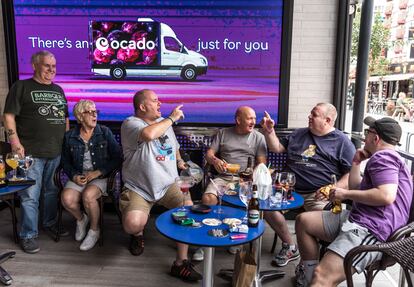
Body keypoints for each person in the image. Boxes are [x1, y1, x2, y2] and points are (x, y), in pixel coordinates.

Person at [294, 116, 413, 287]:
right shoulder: (389, 158)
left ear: (376, 138)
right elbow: (358, 187)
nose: (364, 137)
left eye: (367, 133)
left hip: (372, 230)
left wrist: (345, 194)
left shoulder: (383, 158)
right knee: (304, 221)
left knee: (322, 276)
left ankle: (317, 281)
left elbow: (386, 195)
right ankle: (308, 278)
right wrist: (356, 163)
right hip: (358, 218)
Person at [119, 89, 202, 282]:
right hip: (139, 187)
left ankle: (180, 263)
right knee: (132, 224)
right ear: (142, 106)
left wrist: (180, 162)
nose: (160, 104)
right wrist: (172, 118)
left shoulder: (164, 124)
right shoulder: (130, 123)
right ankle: (138, 234)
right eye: (155, 101)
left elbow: (175, 148)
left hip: (168, 184)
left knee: (187, 211)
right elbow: (149, 134)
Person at [260, 103, 356, 267]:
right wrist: (269, 132)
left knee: (321, 223)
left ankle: (316, 260)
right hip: (287, 190)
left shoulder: (342, 142)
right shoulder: (299, 134)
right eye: (310, 114)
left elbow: (350, 175)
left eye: (314, 114)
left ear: (327, 120)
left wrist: (333, 189)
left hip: (318, 194)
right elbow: (276, 147)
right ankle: (290, 246)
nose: (309, 117)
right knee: (266, 206)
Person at [3, 50, 69, 254]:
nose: (51, 69)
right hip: (29, 153)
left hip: (55, 152)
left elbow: (64, 118)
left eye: (54, 66)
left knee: (50, 192)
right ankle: (28, 235)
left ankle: (48, 222)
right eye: (47, 65)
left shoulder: (58, 89)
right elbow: (8, 116)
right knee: (29, 195)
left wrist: (65, 141)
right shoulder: (21, 87)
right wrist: (14, 142)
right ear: (34, 65)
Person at [192, 106, 267, 261]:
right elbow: (209, 154)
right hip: (223, 177)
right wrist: (215, 160)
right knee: (208, 199)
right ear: (238, 120)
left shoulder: (258, 137)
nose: (253, 121)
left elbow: (261, 165)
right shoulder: (223, 133)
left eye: (254, 118)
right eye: (250, 118)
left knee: (243, 202)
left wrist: (249, 178)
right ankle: (204, 243)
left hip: (245, 179)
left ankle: (236, 234)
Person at [60, 100, 122, 251]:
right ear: (80, 116)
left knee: (88, 196)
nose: (95, 114)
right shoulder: (69, 136)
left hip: (101, 177)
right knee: (66, 199)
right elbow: (65, 161)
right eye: (90, 112)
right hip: (79, 176)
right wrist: (74, 176)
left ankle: (94, 230)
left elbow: (118, 157)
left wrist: (98, 172)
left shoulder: (104, 132)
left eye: (96, 111)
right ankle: (81, 219)